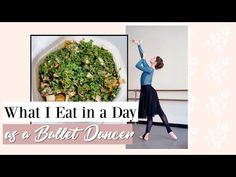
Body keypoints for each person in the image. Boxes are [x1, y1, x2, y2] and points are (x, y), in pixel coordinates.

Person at [132, 39, 177, 141]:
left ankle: (170, 132)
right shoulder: (148, 67)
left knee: (159, 112)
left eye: (153, 58)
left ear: (155, 62)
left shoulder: (150, 69)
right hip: (146, 91)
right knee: (150, 114)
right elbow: (142, 57)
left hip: (149, 92)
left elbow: (138, 65)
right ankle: (146, 135)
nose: (151, 58)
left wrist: (143, 58)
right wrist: (138, 45)